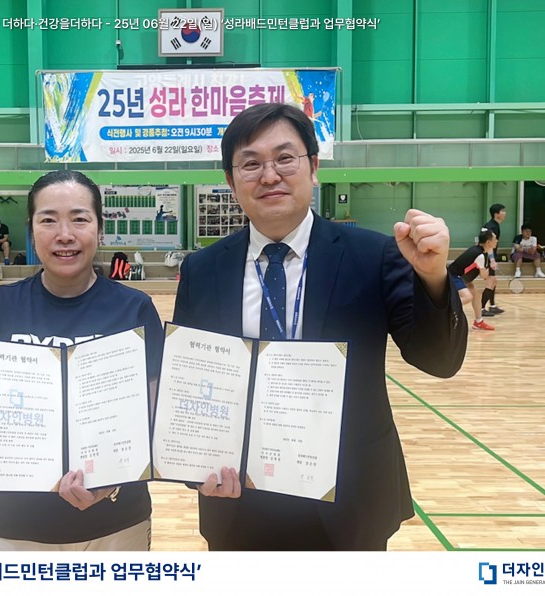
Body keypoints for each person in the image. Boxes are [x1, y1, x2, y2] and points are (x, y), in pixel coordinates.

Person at [172, 102, 467, 551]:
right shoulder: (202, 269)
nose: (269, 175)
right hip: (239, 499)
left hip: (349, 499)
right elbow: (192, 386)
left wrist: (433, 277)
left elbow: (439, 360)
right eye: (250, 164)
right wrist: (196, 468)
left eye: (284, 158)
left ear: (313, 168)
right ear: (231, 182)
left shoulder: (374, 255)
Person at [0, 170, 164, 551]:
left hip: (117, 520)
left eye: (79, 219)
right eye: (48, 220)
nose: (64, 234)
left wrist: (110, 482)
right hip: (20, 524)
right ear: (31, 231)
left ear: (100, 229)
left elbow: (153, 414)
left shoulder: (135, 308)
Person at [448, 229, 498, 331]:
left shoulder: (479, 249)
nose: (497, 241)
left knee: (475, 293)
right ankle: (443, 311)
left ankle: (478, 322)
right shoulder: (480, 255)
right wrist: (487, 271)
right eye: (495, 239)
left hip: (460, 276)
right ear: (488, 242)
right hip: (453, 276)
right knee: (467, 297)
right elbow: (484, 276)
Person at [481, 203, 506, 316]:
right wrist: (492, 260)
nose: (505, 213)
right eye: (502, 211)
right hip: (486, 257)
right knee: (491, 281)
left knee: (493, 281)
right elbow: (488, 245)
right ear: (496, 214)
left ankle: (492, 306)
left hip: (487, 256)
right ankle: (481, 308)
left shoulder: (492, 225)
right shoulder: (492, 227)